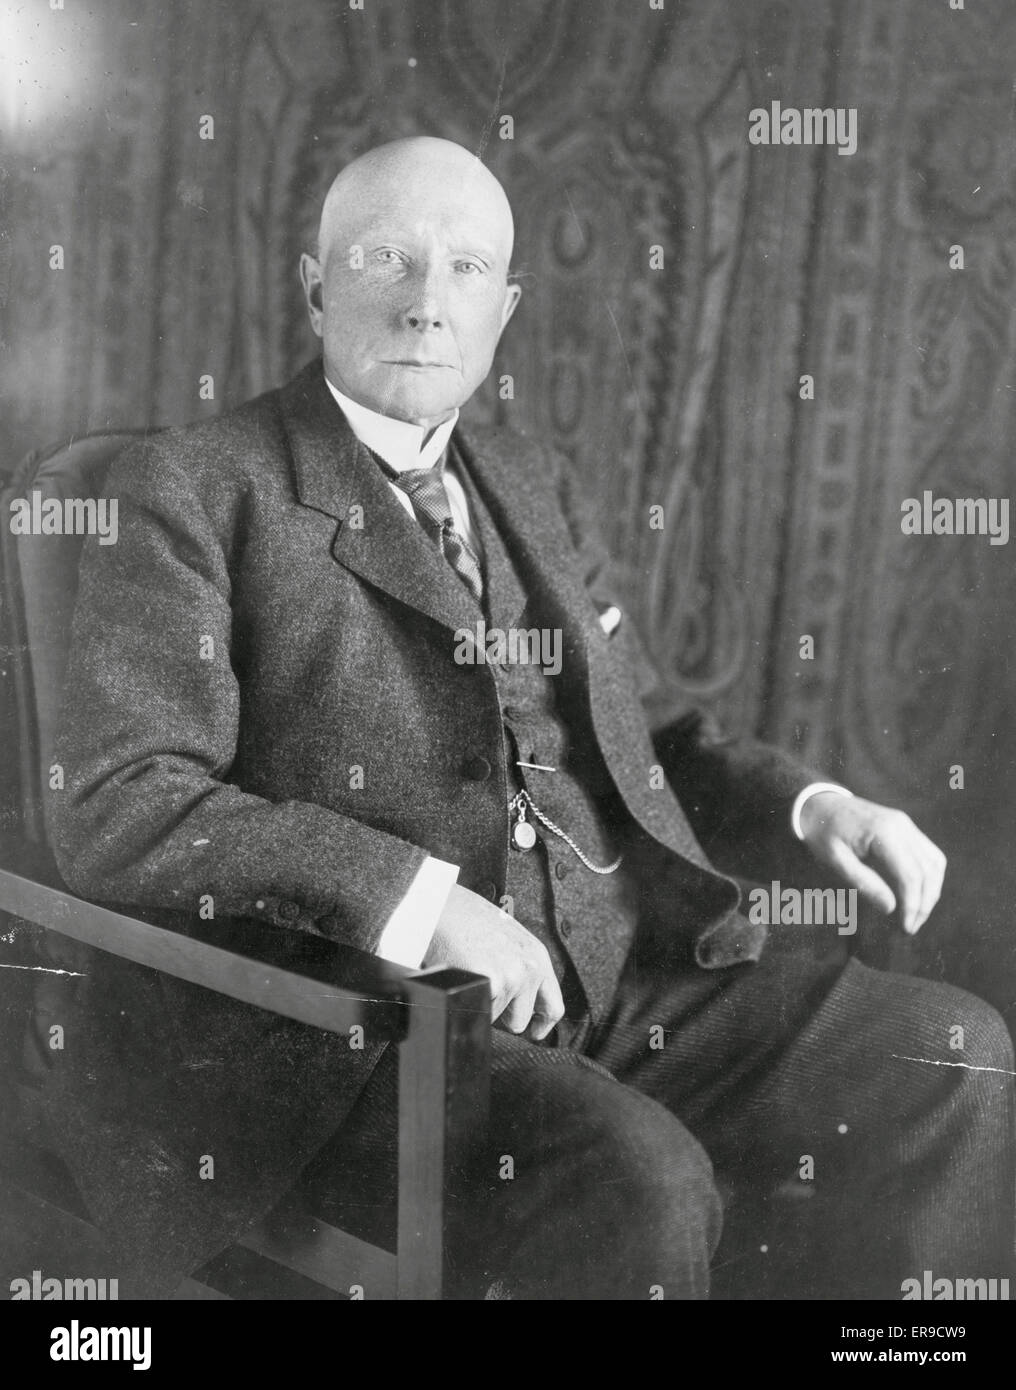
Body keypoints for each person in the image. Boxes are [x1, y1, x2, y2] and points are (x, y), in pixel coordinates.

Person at [49, 136, 1014, 1299]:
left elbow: (644, 729)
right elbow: (123, 801)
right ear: (314, 284)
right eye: (385, 259)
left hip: (619, 985)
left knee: (950, 1060)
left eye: (463, 271)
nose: (423, 301)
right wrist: (419, 899)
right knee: (640, 1182)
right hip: (368, 1035)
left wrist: (817, 805)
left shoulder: (527, 479)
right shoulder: (190, 489)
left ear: (503, 309)